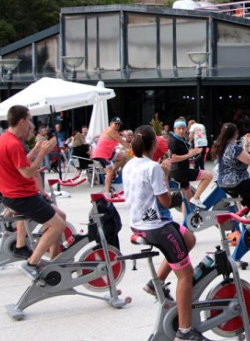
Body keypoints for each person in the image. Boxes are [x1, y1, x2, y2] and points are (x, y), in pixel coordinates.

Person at [122, 125, 206, 341]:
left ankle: (155, 282)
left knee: (189, 238)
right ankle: (185, 331)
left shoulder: (130, 165)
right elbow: (166, 201)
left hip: (138, 222)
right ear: (152, 146)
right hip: (157, 227)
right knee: (185, 274)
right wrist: (166, 174)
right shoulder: (154, 168)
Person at [0, 105, 67, 278]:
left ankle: (54, 260)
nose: (30, 124)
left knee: (61, 217)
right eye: (29, 119)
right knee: (59, 226)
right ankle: (31, 264)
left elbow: (20, 164)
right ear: (21, 121)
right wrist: (42, 154)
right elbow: (27, 172)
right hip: (21, 197)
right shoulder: (13, 143)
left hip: (17, 195)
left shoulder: (5, 139)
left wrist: (34, 151)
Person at [211, 123, 250, 217]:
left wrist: (246, 145)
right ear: (236, 134)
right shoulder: (235, 148)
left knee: (249, 203)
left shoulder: (220, 146)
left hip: (223, 183)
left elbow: (243, 159)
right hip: (237, 182)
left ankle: (248, 224)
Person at [168, 118, 213, 209]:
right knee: (209, 176)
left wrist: (193, 153)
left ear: (186, 129)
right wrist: (190, 154)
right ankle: (196, 198)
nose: (181, 131)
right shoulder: (174, 141)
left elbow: (186, 154)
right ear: (174, 129)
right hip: (180, 172)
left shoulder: (181, 140)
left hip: (181, 171)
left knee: (188, 203)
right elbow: (173, 158)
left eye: (183, 128)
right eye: (179, 128)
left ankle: (189, 218)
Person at [91, 117, 131, 194]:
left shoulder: (111, 130)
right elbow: (122, 142)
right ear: (111, 124)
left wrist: (120, 133)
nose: (117, 125)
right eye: (115, 123)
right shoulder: (111, 131)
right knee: (109, 172)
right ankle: (107, 192)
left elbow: (116, 136)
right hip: (102, 154)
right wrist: (133, 150)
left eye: (119, 124)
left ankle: (114, 171)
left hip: (108, 153)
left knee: (123, 157)